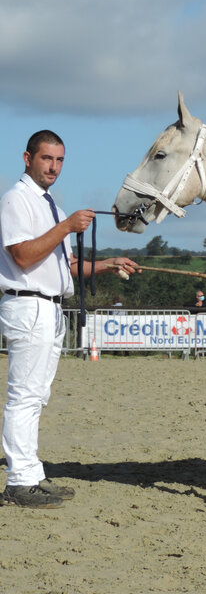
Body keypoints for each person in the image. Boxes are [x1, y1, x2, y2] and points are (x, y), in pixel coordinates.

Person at [0, 130, 137, 508]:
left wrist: (109, 265)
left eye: (60, 161)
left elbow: (68, 265)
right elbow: (24, 256)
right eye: (47, 159)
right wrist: (66, 227)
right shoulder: (16, 200)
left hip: (51, 307)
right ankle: (19, 481)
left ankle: (31, 474)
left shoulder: (51, 207)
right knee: (24, 396)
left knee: (36, 396)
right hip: (27, 305)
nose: (54, 168)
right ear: (27, 158)